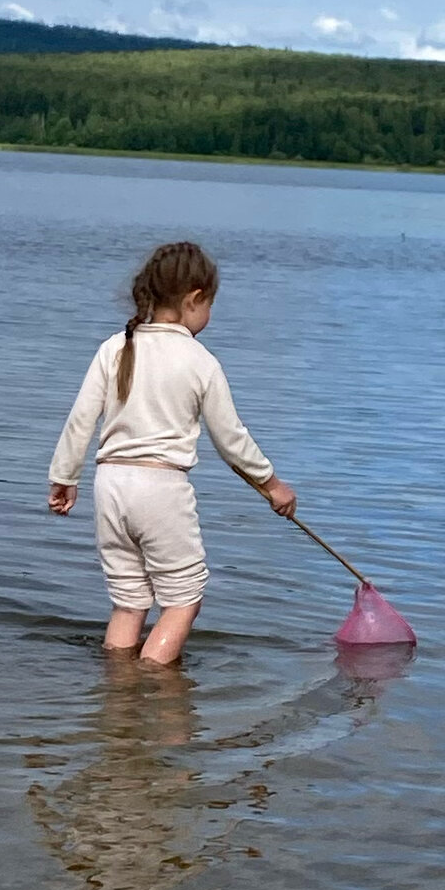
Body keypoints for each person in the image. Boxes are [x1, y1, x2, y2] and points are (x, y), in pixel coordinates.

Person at [47, 237, 297, 666]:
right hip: (160, 488)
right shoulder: (200, 361)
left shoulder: (115, 347)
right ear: (193, 299)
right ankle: (153, 682)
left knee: (129, 602)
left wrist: (64, 478)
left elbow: (80, 420)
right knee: (183, 600)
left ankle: (117, 686)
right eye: (210, 304)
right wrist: (272, 485)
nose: (210, 314)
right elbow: (231, 440)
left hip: (110, 485)